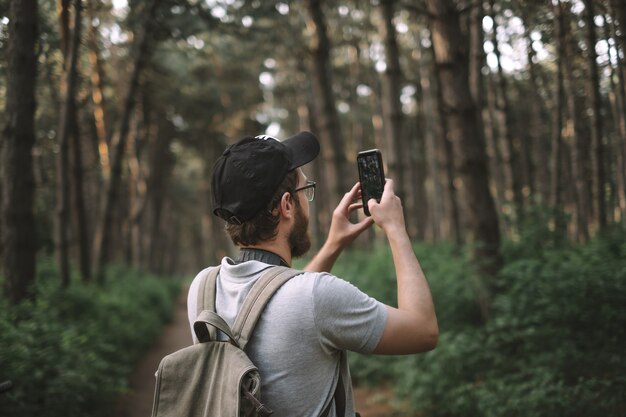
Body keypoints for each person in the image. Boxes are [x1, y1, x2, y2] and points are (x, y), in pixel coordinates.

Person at [187, 131, 438, 417]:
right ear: (286, 206)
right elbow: (423, 330)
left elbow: (276, 298)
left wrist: (333, 244)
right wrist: (396, 228)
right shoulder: (316, 296)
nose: (309, 200)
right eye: (305, 191)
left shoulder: (202, 289)